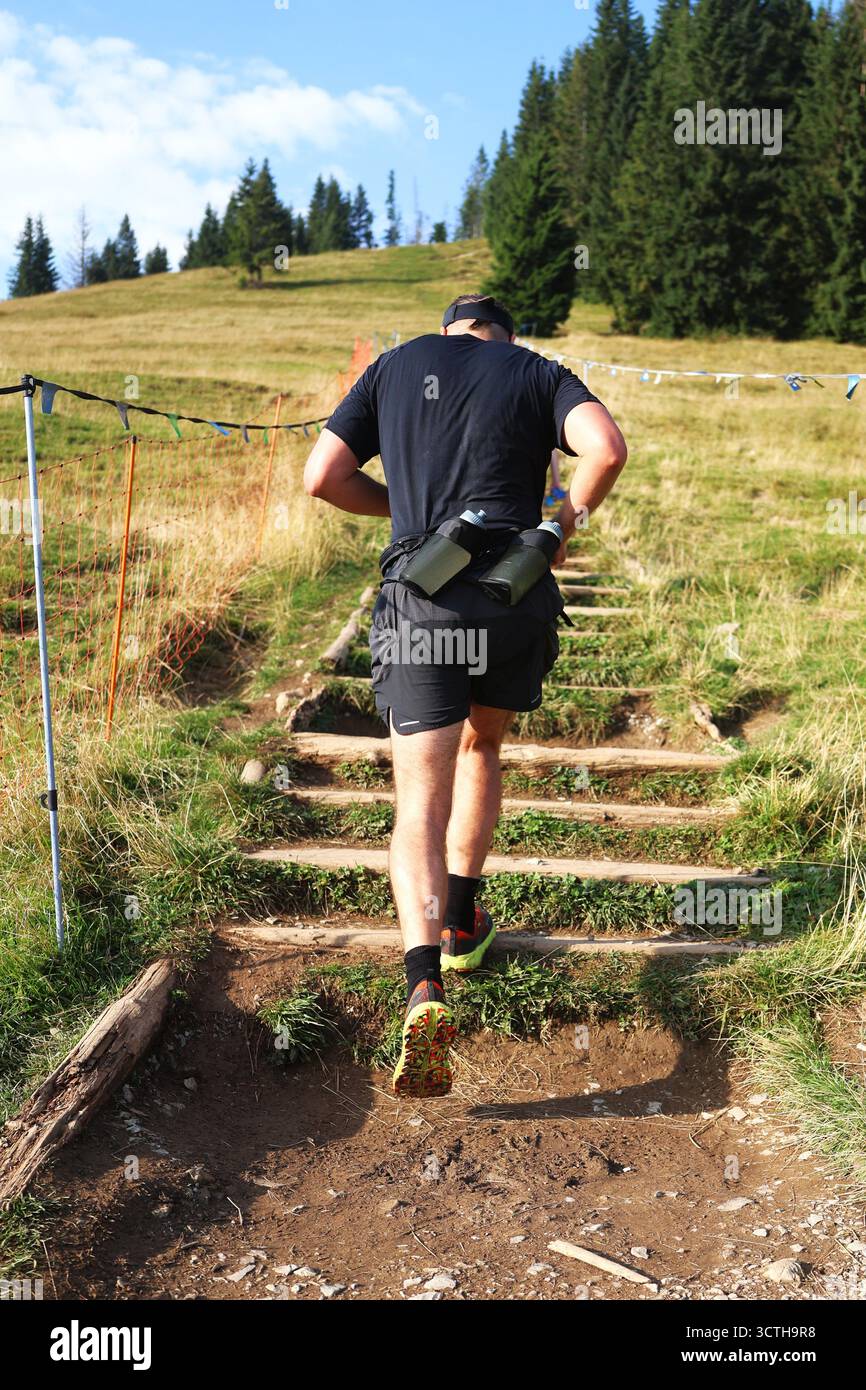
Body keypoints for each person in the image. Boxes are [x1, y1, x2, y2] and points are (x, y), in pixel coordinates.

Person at [303, 292, 627, 1098]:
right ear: (503, 335)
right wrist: (563, 519)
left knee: (418, 798)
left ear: (448, 330)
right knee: (486, 746)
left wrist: (405, 511)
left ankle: (423, 985)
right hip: (512, 601)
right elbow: (608, 449)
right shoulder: (536, 372)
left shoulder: (392, 366)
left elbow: (323, 477)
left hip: (423, 602)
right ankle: (463, 922)